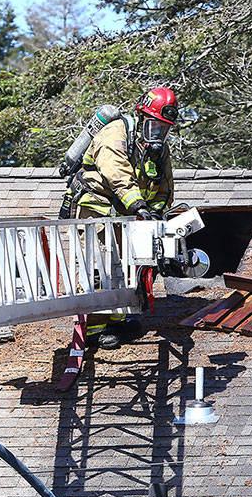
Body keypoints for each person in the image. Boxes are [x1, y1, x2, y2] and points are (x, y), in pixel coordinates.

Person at [73, 86, 179, 350]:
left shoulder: (158, 149)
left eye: (163, 129)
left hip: (127, 213)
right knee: (100, 267)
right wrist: (139, 205)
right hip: (96, 207)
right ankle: (95, 329)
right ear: (142, 117)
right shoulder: (115, 133)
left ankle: (119, 320)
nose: (157, 133)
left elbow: (164, 185)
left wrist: (160, 213)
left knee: (129, 265)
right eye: (154, 125)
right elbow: (116, 173)